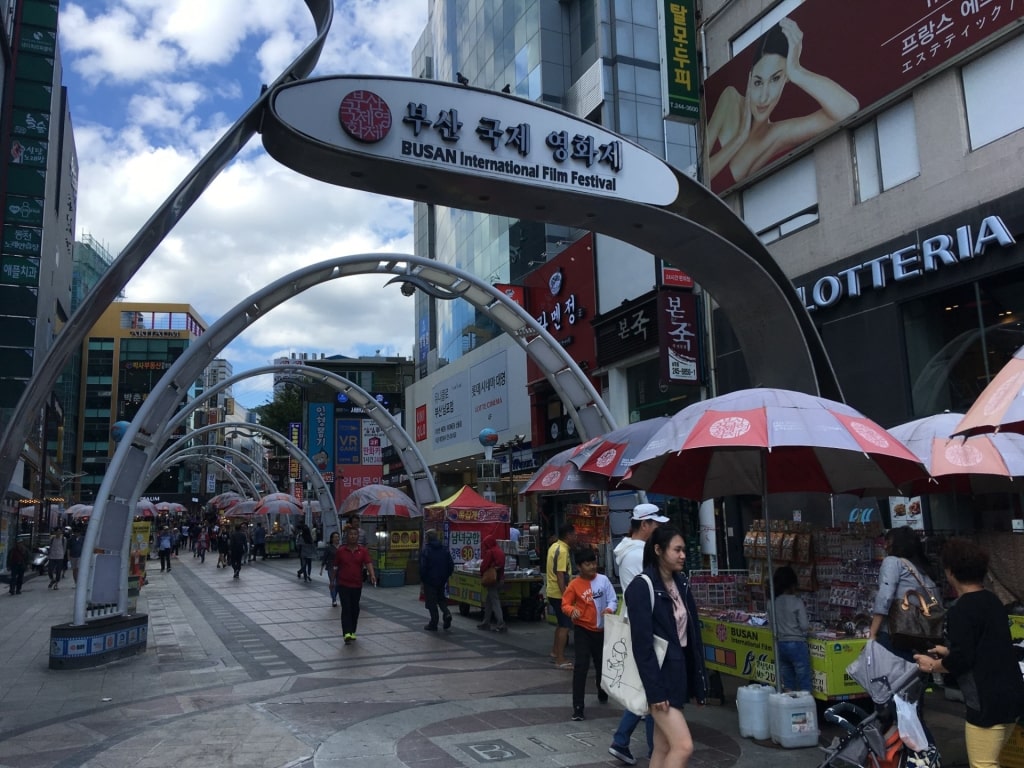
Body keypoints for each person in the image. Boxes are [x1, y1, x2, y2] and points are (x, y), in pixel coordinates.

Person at [705, 17, 859, 189]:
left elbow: (848, 109)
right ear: (749, 78)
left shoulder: (779, 135)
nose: (764, 97)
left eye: (775, 79)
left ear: (786, 79)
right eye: (758, 82)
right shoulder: (730, 99)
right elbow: (702, 172)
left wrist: (797, 71)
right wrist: (740, 138)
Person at [914, 539, 1024, 768]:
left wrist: (932, 665)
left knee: (983, 764)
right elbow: (987, 646)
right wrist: (948, 650)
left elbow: (962, 660)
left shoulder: (960, 610)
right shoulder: (993, 601)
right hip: (1012, 695)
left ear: (950, 572)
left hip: (985, 702)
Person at [625, 526, 707, 768]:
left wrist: (698, 684)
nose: (683, 555)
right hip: (659, 678)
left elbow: (692, 637)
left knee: (662, 747)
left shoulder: (681, 582)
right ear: (659, 550)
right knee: (683, 747)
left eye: (683, 550)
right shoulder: (643, 586)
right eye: (677, 550)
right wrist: (655, 690)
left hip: (677, 674)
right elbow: (642, 645)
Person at [609, 502, 668, 765]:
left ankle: (623, 741)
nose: (658, 530)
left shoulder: (629, 551)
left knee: (646, 689)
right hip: (646, 625)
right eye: (656, 525)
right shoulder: (638, 554)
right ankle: (651, 749)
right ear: (645, 524)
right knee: (650, 689)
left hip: (637, 623)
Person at [562, 547, 617, 721]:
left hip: (601, 630)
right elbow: (565, 604)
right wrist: (571, 611)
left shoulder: (603, 580)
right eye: (588, 564)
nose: (592, 566)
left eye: (594, 562)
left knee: (601, 664)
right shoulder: (574, 585)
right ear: (579, 566)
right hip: (582, 630)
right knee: (581, 666)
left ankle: (602, 691)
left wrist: (609, 609)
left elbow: (613, 599)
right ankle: (578, 707)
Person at [868, 526, 939, 661]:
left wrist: (872, 633)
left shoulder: (892, 562)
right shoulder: (923, 570)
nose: (884, 545)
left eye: (887, 541)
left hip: (895, 633)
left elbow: (885, 597)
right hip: (920, 635)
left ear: (896, 544)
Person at [771, 565, 812, 692]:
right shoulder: (796, 601)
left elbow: (771, 626)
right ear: (793, 584)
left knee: (788, 681)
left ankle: (789, 708)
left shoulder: (772, 601)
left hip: (780, 643)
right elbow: (805, 626)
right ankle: (806, 709)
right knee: (804, 679)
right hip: (797, 644)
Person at [334, 526, 376, 644]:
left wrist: (372, 575)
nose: (353, 536)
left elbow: (368, 563)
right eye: (350, 534)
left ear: (358, 537)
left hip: (357, 584)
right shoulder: (341, 551)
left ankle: (352, 631)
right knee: (346, 608)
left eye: (355, 534)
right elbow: (336, 566)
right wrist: (332, 581)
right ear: (347, 536)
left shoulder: (362, 551)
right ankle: (346, 633)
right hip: (343, 584)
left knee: (355, 608)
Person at [546, 522, 577, 668]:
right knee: (565, 626)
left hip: (553, 592)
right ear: (569, 535)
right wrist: (566, 595)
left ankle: (554, 651)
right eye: (574, 535)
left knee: (560, 624)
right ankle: (560, 658)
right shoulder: (563, 551)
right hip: (559, 593)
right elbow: (560, 574)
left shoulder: (554, 546)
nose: (576, 537)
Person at [419, 529, 454, 631]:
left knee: (431, 602)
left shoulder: (426, 550)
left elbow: (423, 566)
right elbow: (451, 565)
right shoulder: (444, 549)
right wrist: (446, 575)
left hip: (429, 580)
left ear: (428, 538)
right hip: (442, 579)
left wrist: (423, 577)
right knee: (441, 599)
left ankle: (434, 623)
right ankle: (447, 613)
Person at [478, 534, 507, 632]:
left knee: (494, 601)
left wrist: (482, 573)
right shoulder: (500, 551)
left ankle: (500, 623)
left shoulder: (491, 552)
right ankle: (485, 622)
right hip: (500, 579)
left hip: (492, 580)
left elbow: (484, 566)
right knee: (489, 601)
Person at [320, 531, 341, 606]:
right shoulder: (329, 548)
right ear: (332, 539)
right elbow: (324, 558)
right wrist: (321, 569)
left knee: (339, 584)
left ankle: (334, 596)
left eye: (338, 537)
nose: (337, 538)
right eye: (335, 537)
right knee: (333, 583)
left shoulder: (342, 547)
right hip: (331, 568)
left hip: (340, 568)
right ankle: (334, 600)